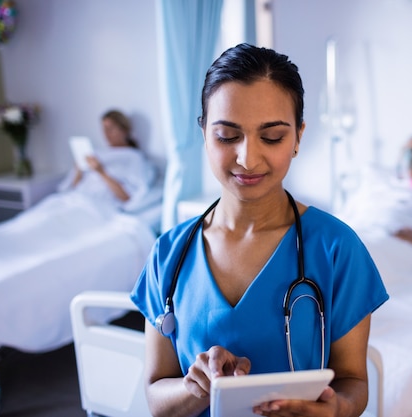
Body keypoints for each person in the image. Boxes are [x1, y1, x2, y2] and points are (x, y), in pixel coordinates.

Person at [130, 43, 389, 417]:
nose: (248, 158)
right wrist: (195, 387)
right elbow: (156, 395)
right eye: (227, 136)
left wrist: (336, 410)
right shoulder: (168, 254)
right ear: (204, 132)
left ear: (298, 137)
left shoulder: (337, 249)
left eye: (271, 137)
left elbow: (353, 382)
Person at [57, 109, 155, 208]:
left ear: (124, 131)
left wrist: (101, 171)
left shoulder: (134, 157)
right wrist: (79, 168)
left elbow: (127, 197)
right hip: (74, 199)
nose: (106, 133)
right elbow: (73, 187)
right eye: (104, 129)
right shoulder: (97, 153)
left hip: (96, 205)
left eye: (111, 129)